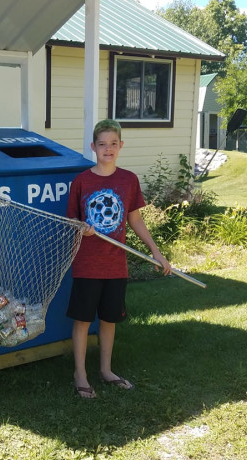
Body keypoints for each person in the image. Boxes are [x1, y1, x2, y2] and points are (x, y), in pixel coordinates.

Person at [66, 119, 171, 399]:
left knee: (109, 320)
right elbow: (71, 221)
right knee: (83, 320)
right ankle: (80, 374)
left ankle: (106, 370)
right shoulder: (82, 181)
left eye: (113, 144)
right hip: (87, 265)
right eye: (102, 144)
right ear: (93, 147)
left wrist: (155, 251)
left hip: (116, 265)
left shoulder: (128, 180)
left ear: (121, 146)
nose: (108, 149)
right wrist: (82, 228)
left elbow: (135, 218)